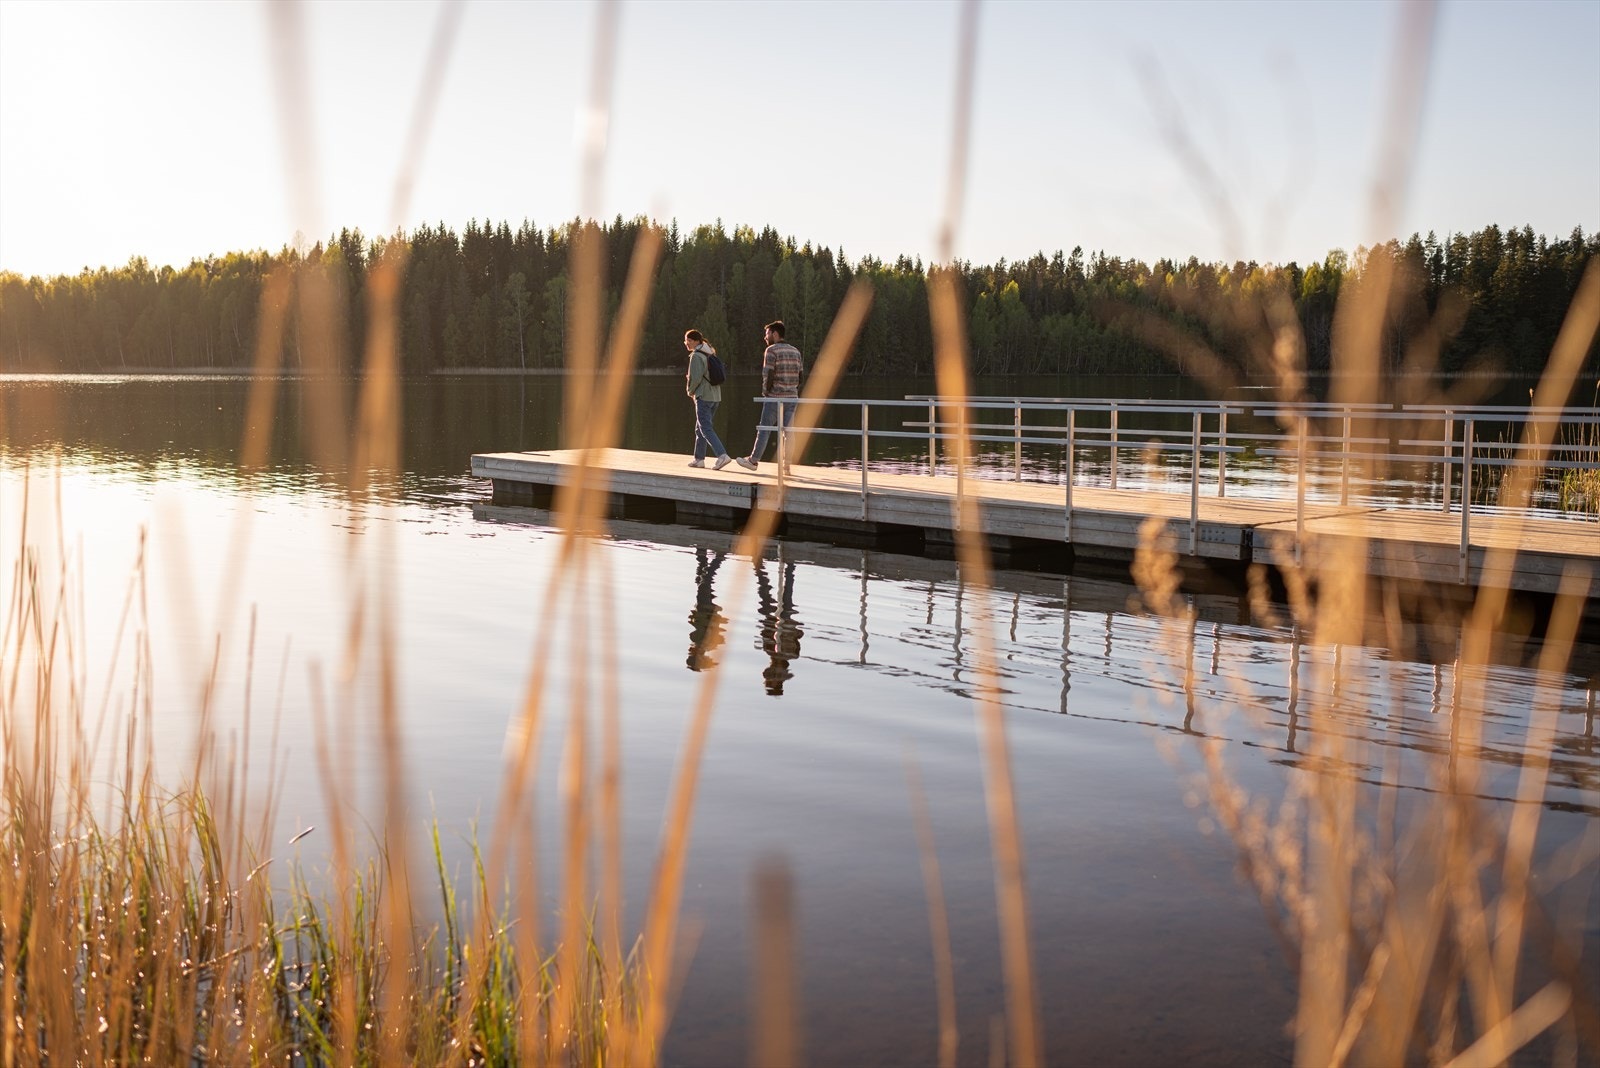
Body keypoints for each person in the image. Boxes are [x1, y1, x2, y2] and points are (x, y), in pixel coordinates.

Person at [735, 320, 802, 471]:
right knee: (788, 431)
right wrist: (792, 389)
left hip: (775, 397)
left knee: (764, 429)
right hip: (792, 397)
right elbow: (800, 376)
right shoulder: (795, 351)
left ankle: (753, 461)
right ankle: (787, 464)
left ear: (775, 333)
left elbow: (769, 374)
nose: (765, 337)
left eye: (767, 334)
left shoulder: (771, 351)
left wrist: (766, 392)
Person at [683, 329, 733, 470]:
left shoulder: (696, 356)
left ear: (696, 341)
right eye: (686, 340)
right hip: (715, 396)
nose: (686, 343)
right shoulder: (710, 352)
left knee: (705, 428)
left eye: (688, 340)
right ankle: (699, 459)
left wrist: (689, 391)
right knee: (700, 427)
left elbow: (695, 378)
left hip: (704, 396)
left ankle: (722, 455)